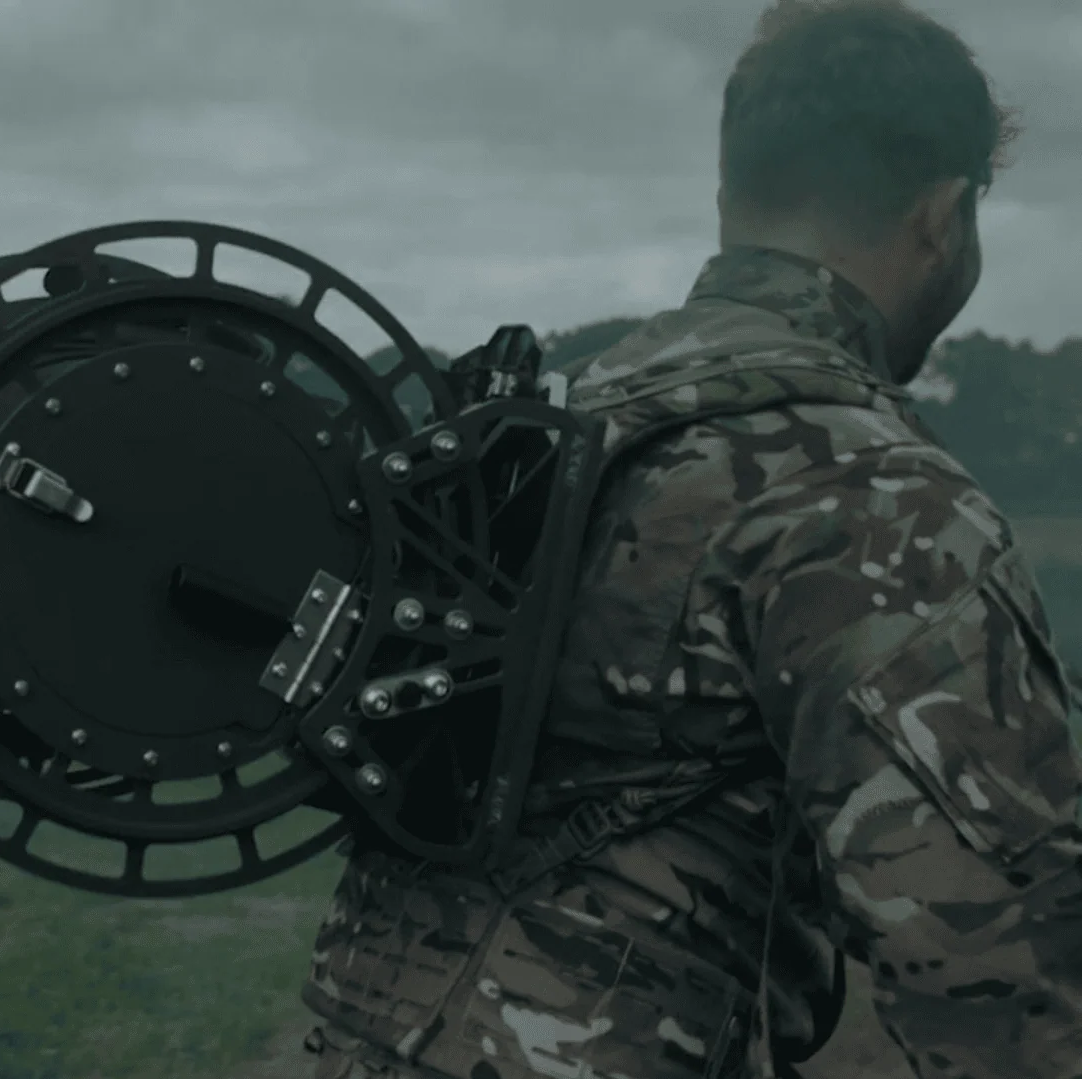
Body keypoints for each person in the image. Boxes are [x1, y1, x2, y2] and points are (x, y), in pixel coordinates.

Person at [298, 3, 1081, 1077]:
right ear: (942, 218)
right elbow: (1006, 975)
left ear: (727, 200)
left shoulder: (556, 420)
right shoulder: (876, 496)